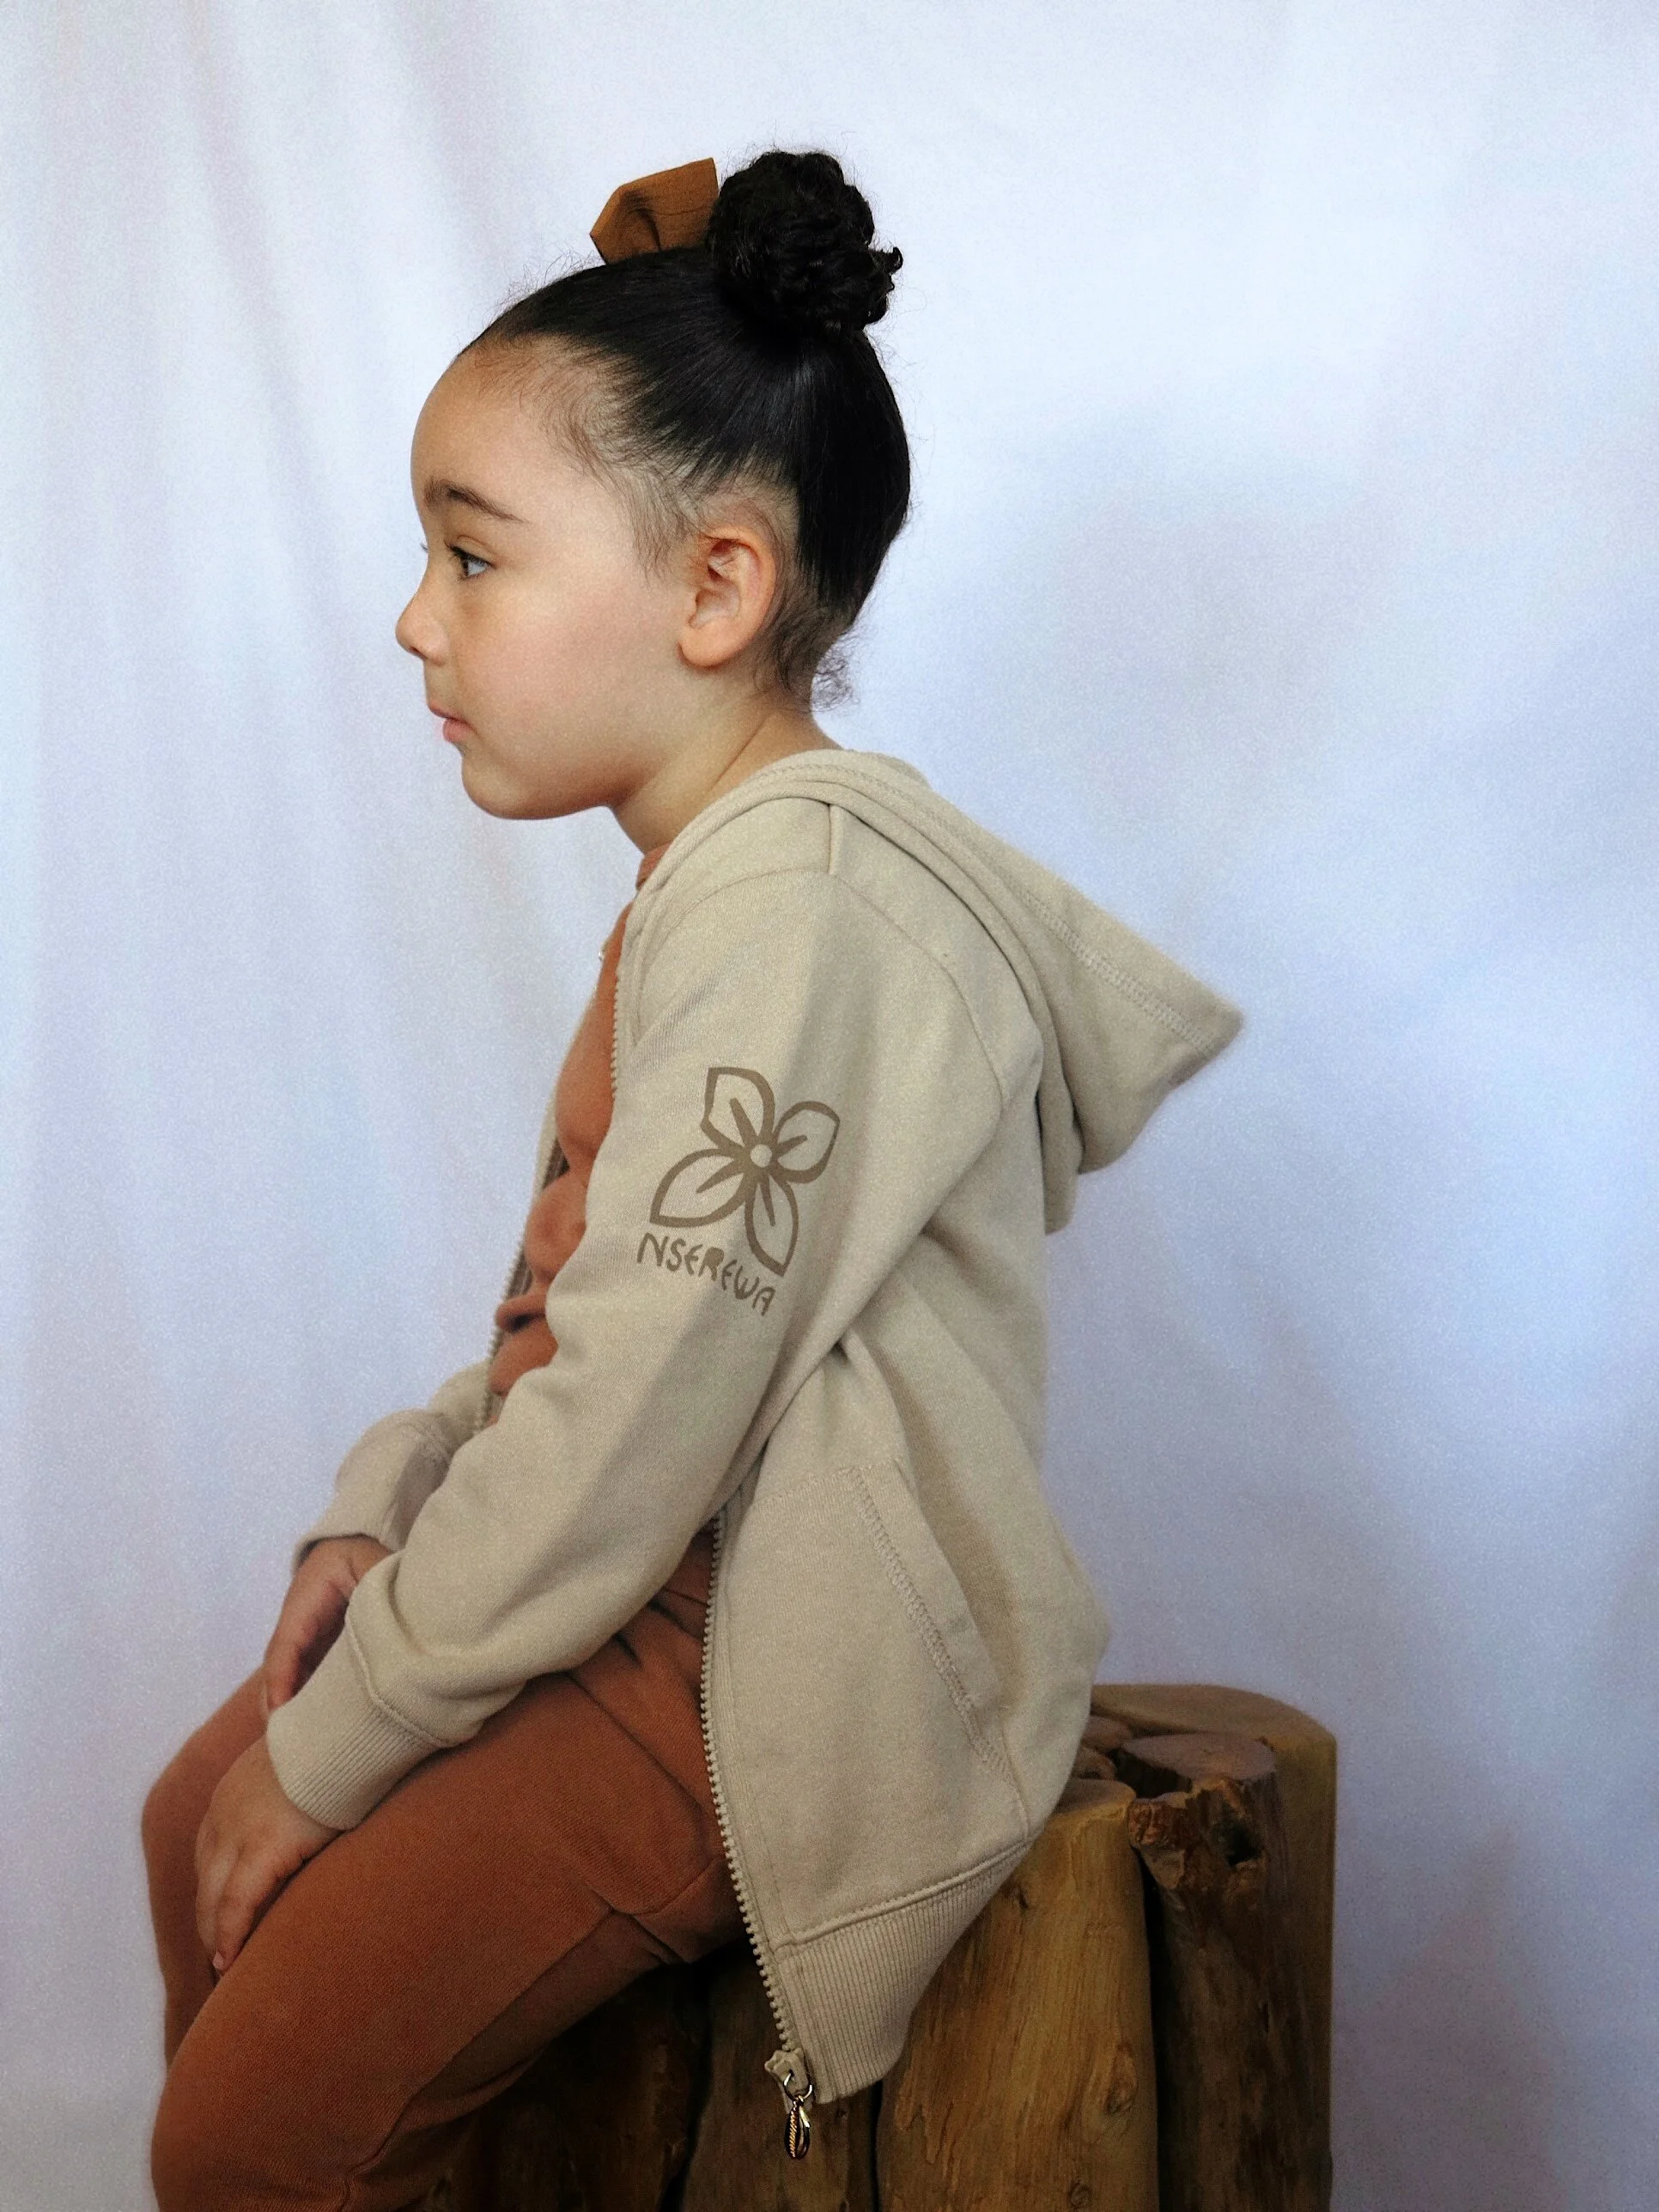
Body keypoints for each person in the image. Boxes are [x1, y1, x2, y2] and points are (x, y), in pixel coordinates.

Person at [140, 149, 1240, 2210]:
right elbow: (594, 1329)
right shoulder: (720, 883)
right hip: (636, 1582)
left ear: (716, 590)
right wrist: (390, 1499)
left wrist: (342, 1743)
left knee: (255, 2130)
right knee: (191, 1814)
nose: (414, 618)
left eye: (472, 555)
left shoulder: (798, 908)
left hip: (737, 1661)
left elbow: (639, 1425)